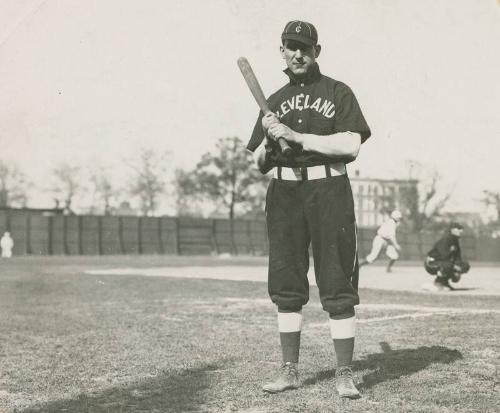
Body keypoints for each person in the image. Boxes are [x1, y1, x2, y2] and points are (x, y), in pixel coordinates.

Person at [246, 20, 371, 399]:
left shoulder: (338, 92)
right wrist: (270, 139)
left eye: (304, 46)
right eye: (290, 46)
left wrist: (298, 136)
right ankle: (289, 370)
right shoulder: (275, 100)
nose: (297, 53)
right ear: (281, 51)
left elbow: (350, 145)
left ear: (317, 51)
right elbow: (258, 162)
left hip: (328, 188)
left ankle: (344, 373)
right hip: (284, 191)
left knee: (336, 279)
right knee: (286, 281)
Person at [423, 222, 470, 291]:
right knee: (448, 265)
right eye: (458, 228)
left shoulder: (455, 241)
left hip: (444, 262)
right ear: (452, 230)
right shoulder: (446, 239)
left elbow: (458, 257)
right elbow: (443, 256)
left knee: (465, 266)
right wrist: (454, 267)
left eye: (461, 229)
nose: (461, 231)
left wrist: (458, 270)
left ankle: (444, 282)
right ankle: (438, 282)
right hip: (432, 262)